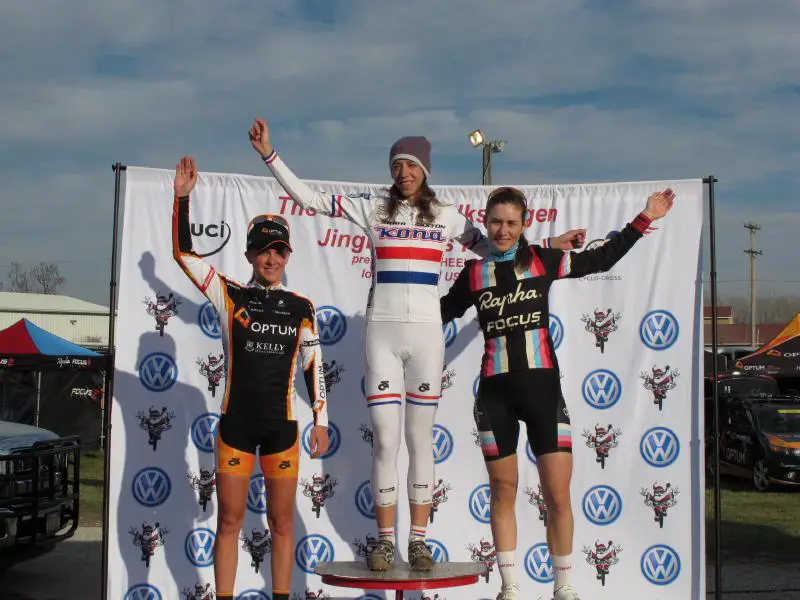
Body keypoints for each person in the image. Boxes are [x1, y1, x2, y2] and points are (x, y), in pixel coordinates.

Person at [248, 119, 584, 571]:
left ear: (425, 170)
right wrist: (270, 155)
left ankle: (419, 541)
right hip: (382, 334)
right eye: (397, 165)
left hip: (427, 335)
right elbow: (308, 198)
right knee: (386, 441)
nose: (404, 172)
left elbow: (499, 248)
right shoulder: (373, 209)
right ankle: (385, 540)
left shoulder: (447, 215)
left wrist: (545, 246)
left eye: (412, 165)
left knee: (418, 439)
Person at [439, 185, 674, 600]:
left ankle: (563, 586)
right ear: (485, 221)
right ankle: (510, 587)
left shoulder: (543, 260)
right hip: (494, 396)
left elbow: (600, 258)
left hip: (544, 392)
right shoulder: (473, 274)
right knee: (503, 491)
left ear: (525, 224)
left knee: (558, 494)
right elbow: (439, 313)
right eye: (495, 222)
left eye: (512, 223)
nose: (502, 230)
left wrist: (644, 218)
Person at [172, 156, 330, 600]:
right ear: (249, 254)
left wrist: (321, 419)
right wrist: (182, 201)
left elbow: (313, 366)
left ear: (288, 255)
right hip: (236, 425)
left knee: (282, 523)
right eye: (264, 249)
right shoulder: (229, 294)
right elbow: (184, 254)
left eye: (280, 250)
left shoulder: (301, 306)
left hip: (281, 427)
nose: (272, 257)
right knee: (229, 521)